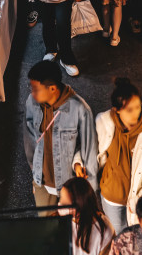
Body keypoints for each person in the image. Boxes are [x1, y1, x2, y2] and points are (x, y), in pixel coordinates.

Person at [97, 78, 142, 234]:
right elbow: (90, 149)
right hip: (111, 197)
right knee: (117, 237)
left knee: (137, 238)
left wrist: (140, 200)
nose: (135, 113)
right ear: (117, 110)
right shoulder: (103, 121)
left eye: (137, 107)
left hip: (139, 203)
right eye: (129, 110)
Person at [24, 61, 98, 210]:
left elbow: (89, 151)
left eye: (36, 89)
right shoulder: (31, 103)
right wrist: (35, 170)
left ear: (52, 88)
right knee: (46, 228)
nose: (32, 93)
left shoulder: (80, 109)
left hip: (69, 184)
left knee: (72, 229)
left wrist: (90, 193)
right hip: (42, 183)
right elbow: (29, 139)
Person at [59, 177, 115, 255]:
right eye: (60, 198)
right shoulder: (59, 222)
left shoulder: (104, 230)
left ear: (79, 204)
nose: (59, 204)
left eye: (65, 203)